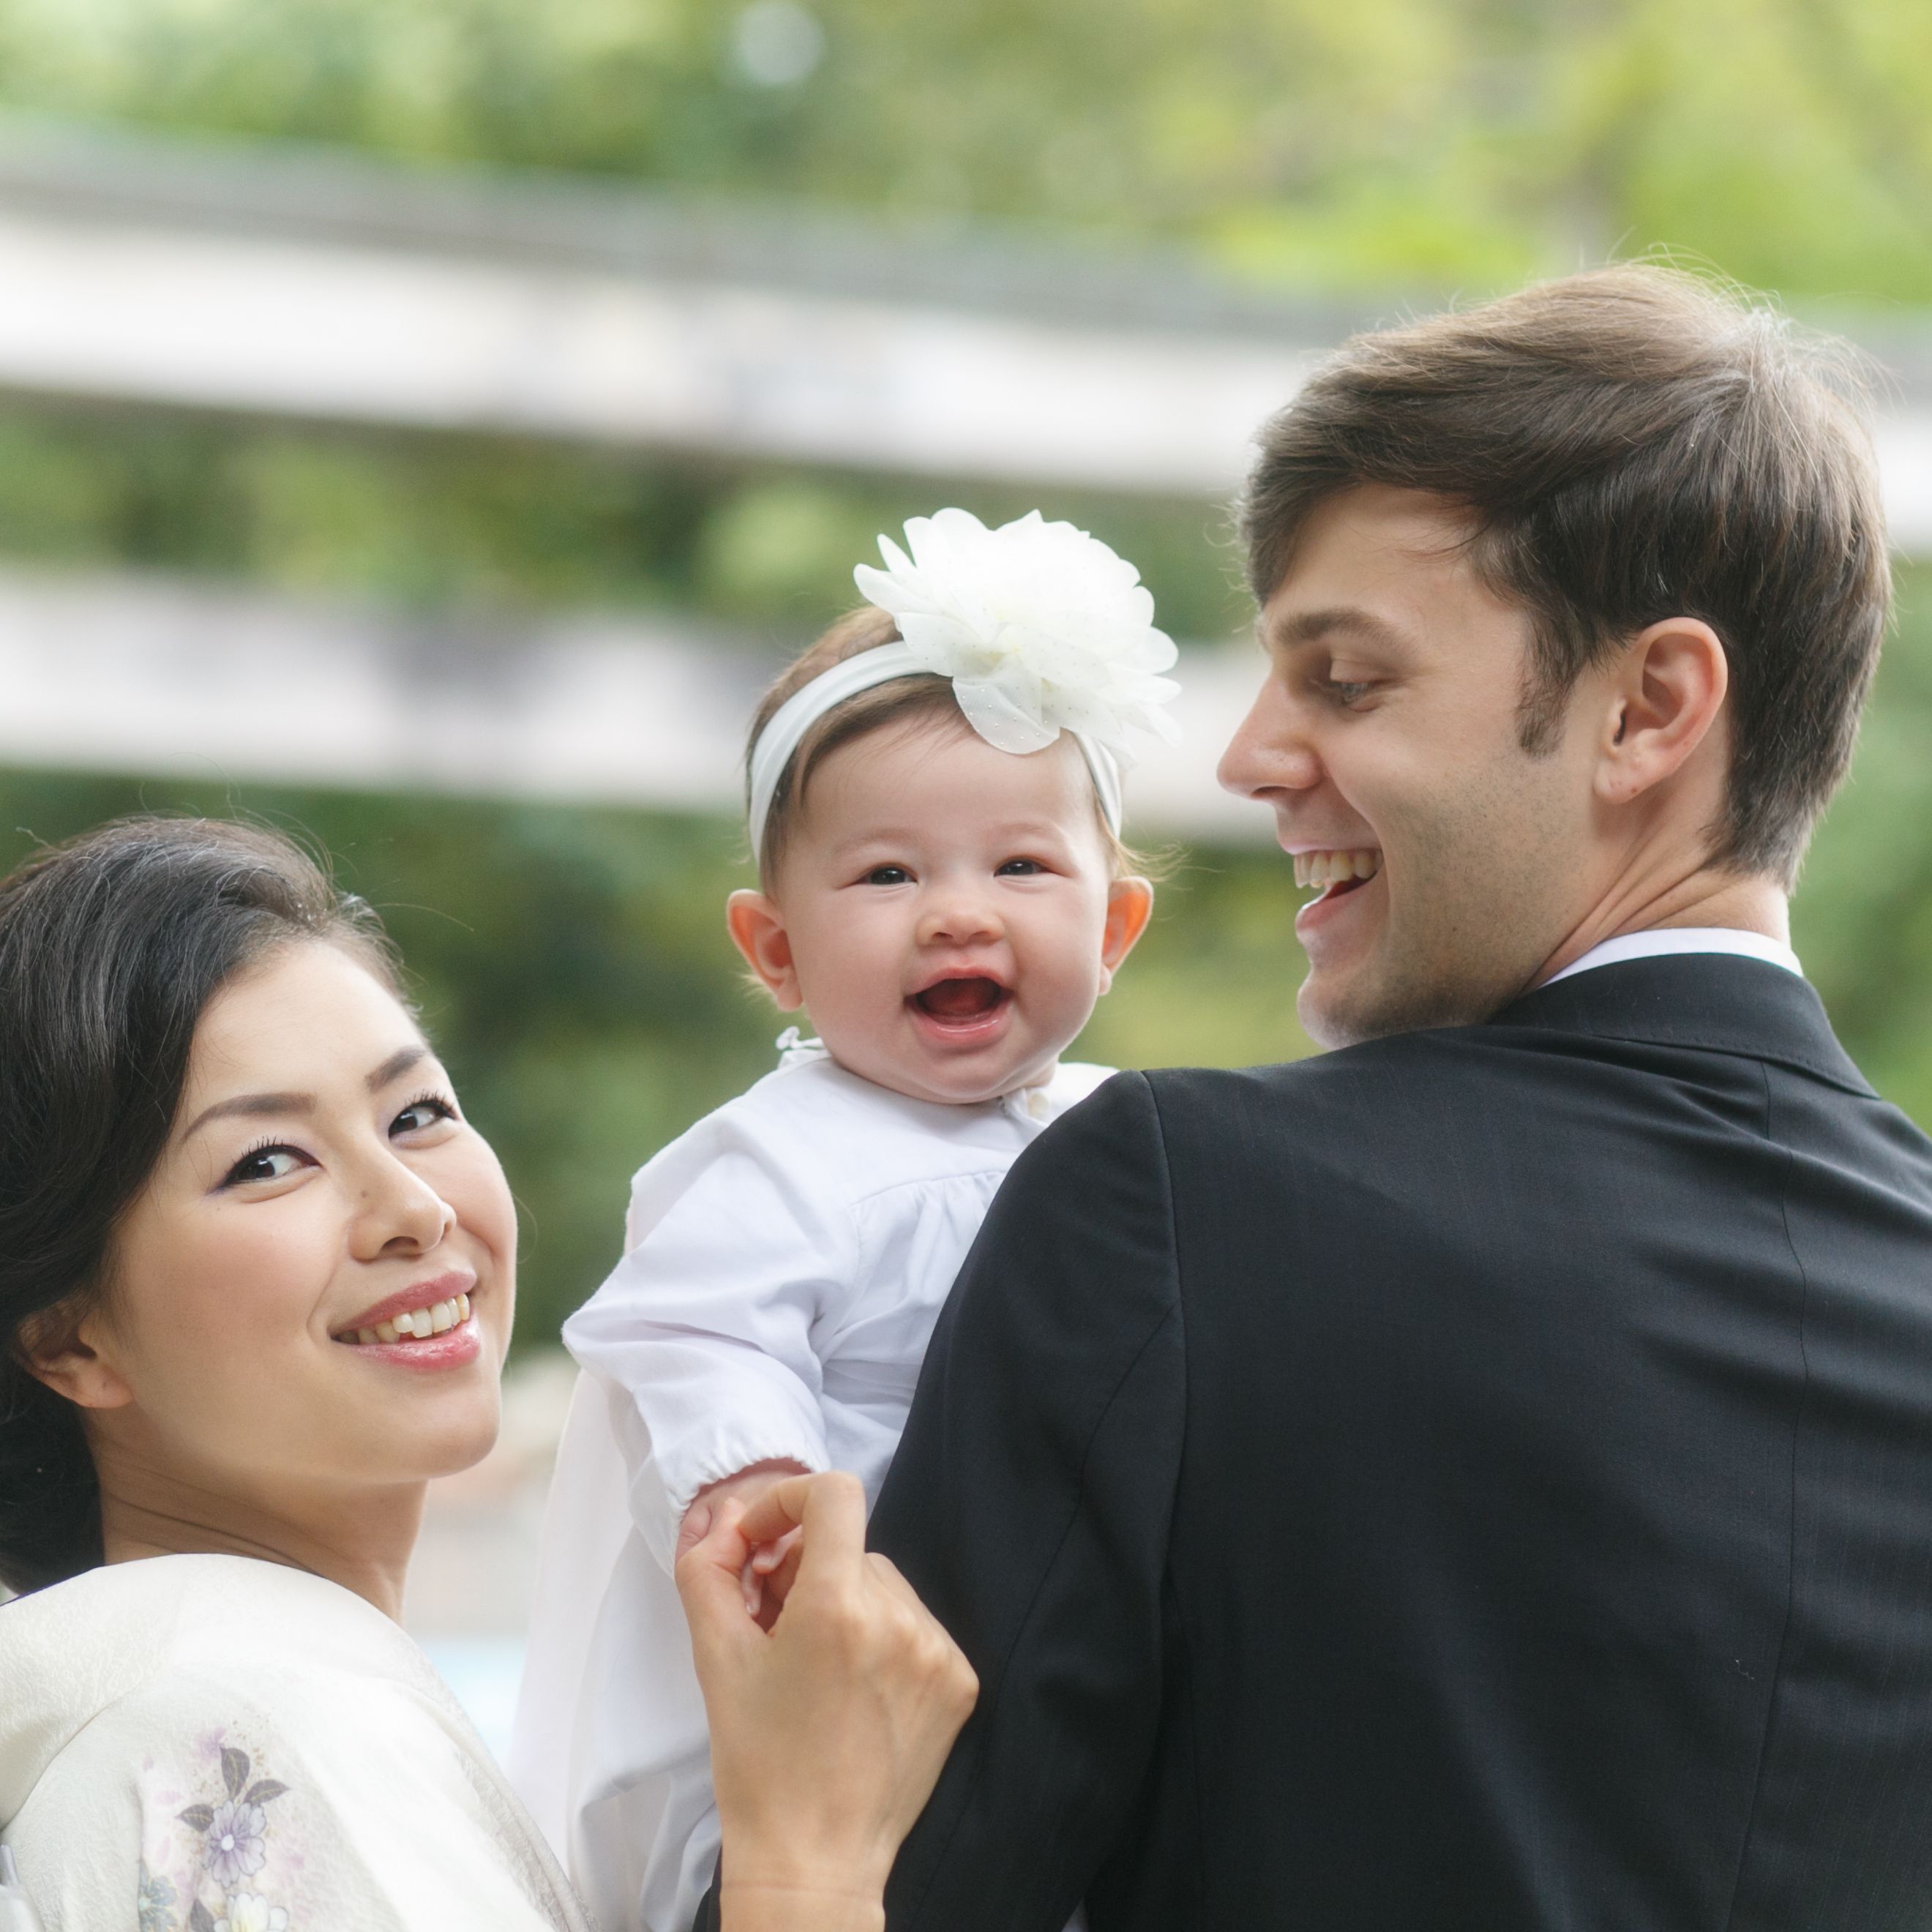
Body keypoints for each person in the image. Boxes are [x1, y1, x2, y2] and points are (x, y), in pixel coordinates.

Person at [804, 265, 1932, 1930]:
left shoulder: (1181, 1210)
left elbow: (868, 1884)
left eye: (1346, 679)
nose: (1253, 755)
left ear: (1649, 708)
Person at [0, 817, 975, 1932]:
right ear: (69, 1340)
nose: (416, 1208)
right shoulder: (229, 1718)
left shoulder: (264, 1694)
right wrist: (806, 1865)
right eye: (267, 1163)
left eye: (416, 1115)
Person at [511, 509, 1173, 1932]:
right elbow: (689, 1329)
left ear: (1115, 927)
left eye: (1021, 869)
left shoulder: (1132, 1143)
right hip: (820, 1716)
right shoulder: (779, 1159)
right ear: (776, 951)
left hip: (1045, 1707)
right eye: (887, 874)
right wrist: (756, 1489)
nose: (956, 915)